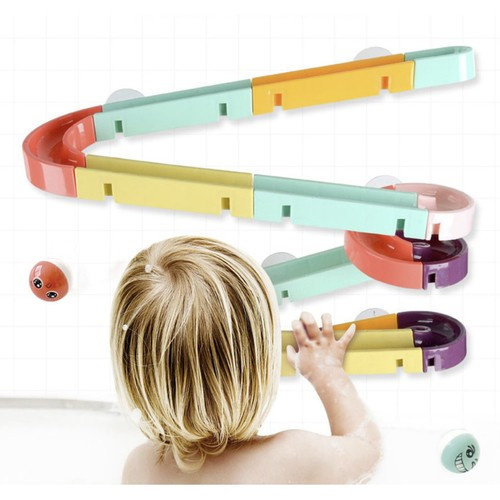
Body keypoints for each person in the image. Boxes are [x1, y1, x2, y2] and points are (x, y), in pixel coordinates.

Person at [110, 236, 380, 484]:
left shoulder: (140, 468)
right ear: (258, 365)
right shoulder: (292, 458)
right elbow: (368, 451)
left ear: (134, 374)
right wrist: (328, 373)